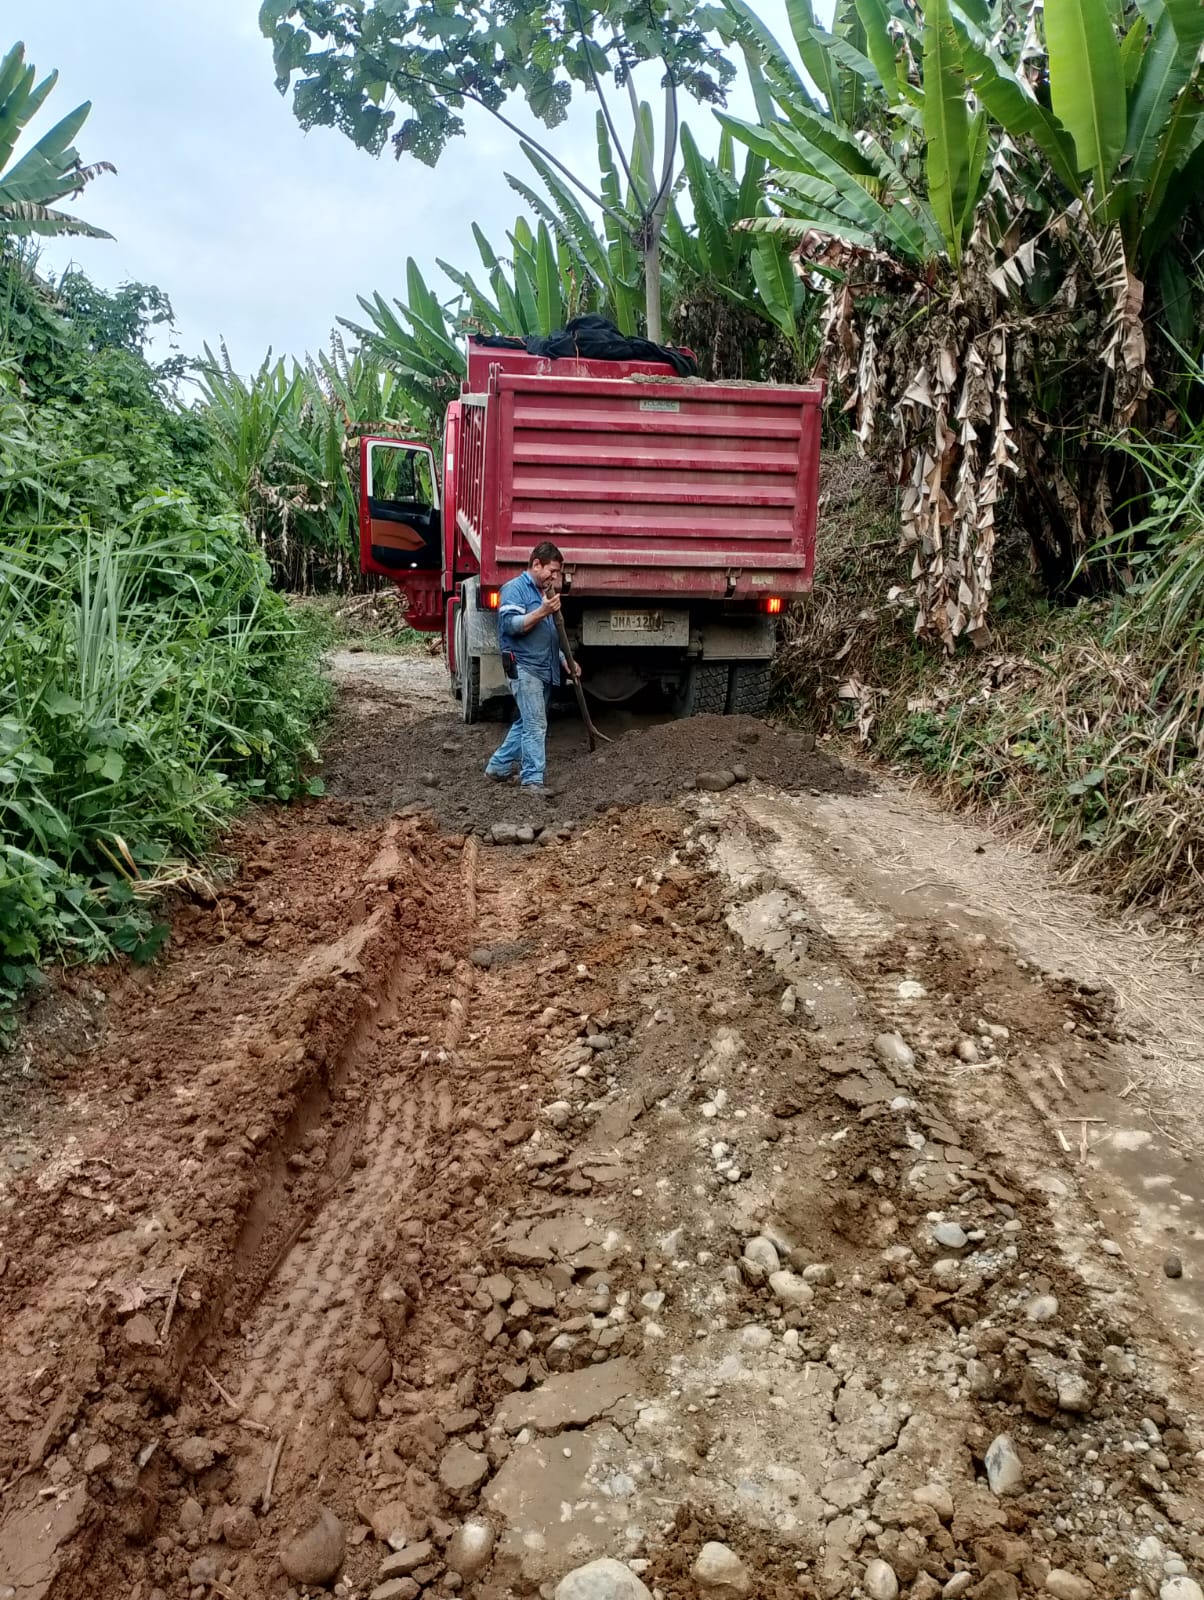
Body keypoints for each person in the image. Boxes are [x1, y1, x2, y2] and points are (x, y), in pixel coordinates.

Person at [484, 541, 581, 794]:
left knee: (527, 722)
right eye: (552, 570)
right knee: (536, 724)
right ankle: (532, 780)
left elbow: (547, 635)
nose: (555, 577)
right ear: (536, 564)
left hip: (542, 667)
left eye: (557, 572)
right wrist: (542, 611)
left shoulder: (542, 592)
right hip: (524, 667)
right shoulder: (514, 589)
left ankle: (498, 767)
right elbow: (511, 626)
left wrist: (565, 660)